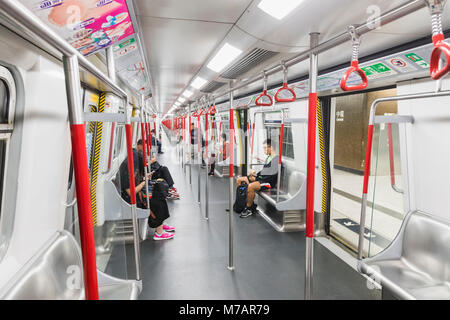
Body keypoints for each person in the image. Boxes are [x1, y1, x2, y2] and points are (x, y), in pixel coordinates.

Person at [117, 150, 175, 240]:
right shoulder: (126, 173)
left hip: (138, 194)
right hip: (131, 200)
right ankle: (159, 233)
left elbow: (137, 181)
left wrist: (146, 177)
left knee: (160, 193)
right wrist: (144, 182)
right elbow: (131, 193)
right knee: (158, 201)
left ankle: (161, 224)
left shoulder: (131, 168)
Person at [235, 139, 278, 218]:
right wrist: (255, 175)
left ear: (271, 148)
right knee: (240, 180)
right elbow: (264, 171)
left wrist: (257, 178)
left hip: (268, 182)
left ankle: (249, 209)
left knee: (251, 186)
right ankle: (242, 204)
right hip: (261, 179)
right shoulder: (268, 158)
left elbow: (271, 176)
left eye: (265, 148)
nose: (264, 150)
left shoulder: (276, 160)